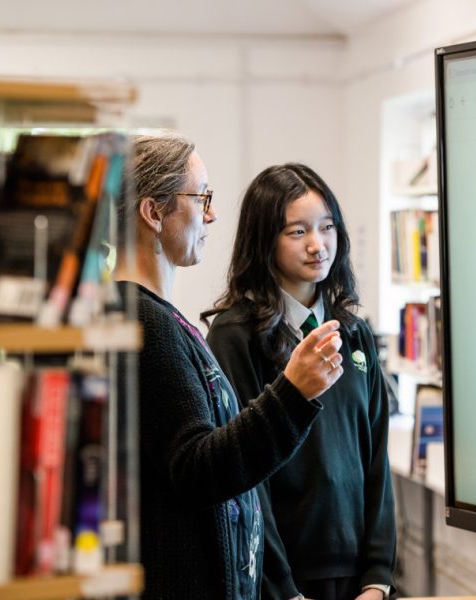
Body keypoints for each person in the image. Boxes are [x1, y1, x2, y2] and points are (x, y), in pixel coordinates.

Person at [112, 135, 344, 600]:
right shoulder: (144, 324)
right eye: (202, 198)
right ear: (153, 213)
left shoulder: (156, 318)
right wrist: (292, 394)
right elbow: (198, 469)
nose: (212, 215)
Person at [203, 163, 396, 600]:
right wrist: (283, 589)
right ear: (264, 240)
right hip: (282, 580)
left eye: (327, 227)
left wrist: (378, 578)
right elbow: (245, 475)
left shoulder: (354, 333)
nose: (317, 244)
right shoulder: (235, 336)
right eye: (297, 232)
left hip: (357, 579)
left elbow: (377, 459)